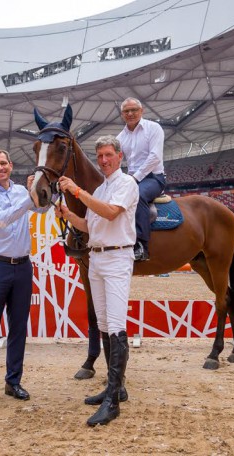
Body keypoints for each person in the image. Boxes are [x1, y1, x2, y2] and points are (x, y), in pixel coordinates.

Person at [56, 135, 138, 426]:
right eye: (99, 156)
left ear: (119, 155)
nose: (103, 160)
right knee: (103, 325)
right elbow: (88, 223)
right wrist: (67, 213)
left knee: (116, 326)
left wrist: (77, 191)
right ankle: (112, 387)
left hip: (117, 258)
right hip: (97, 257)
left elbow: (110, 213)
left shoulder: (127, 184)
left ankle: (113, 402)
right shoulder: (101, 187)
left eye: (107, 155)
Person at [0, 148, 48, 410]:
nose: (0, 168)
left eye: (3, 163)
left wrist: (38, 190)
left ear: (11, 164)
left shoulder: (19, 192)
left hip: (22, 266)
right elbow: (2, 220)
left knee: (18, 328)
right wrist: (29, 198)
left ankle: (13, 381)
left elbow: (43, 209)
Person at [117, 97, 166, 262]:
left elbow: (155, 157)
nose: (130, 114)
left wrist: (134, 178)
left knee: (136, 195)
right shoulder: (120, 137)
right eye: (126, 111)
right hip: (130, 179)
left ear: (141, 111)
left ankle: (141, 246)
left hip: (154, 178)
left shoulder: (153, 128)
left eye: (134, 110)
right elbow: (115, 161)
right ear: (122, 114)